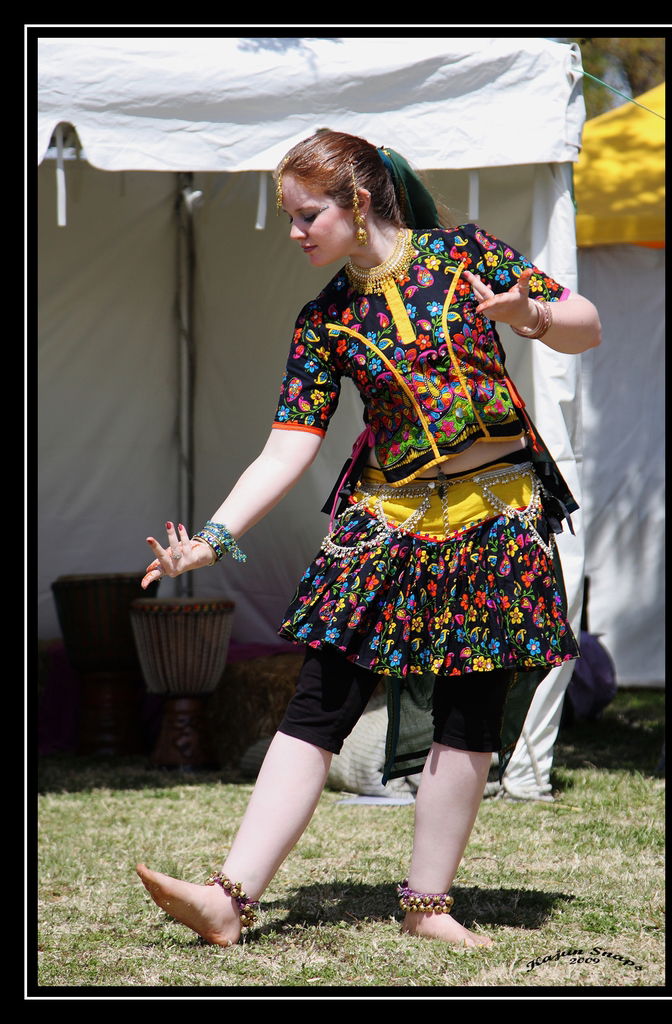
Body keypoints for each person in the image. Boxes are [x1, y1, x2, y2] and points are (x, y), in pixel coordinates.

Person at [136, 130, 601, 948]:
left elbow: (583, 324)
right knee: (319, 702)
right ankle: (228, 898)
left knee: (469, 713)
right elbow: (288, 444)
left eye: (304, 214)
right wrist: (212, 539)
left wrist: (527, 314)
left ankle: (429, 908)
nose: (293, 233)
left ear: (355, 202)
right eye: (289, 217)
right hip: (386, 522)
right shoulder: (323, 322)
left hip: (495, 515)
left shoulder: (464, 256)